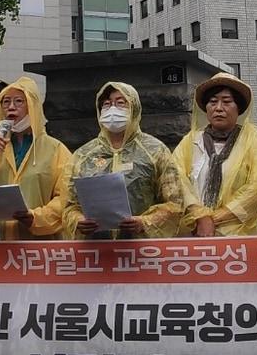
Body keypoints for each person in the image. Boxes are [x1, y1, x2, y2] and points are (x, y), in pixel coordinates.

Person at [63, 82, 187, 240]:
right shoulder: (84, 155)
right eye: (106, 104)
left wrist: (145, 222)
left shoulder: (155, 151)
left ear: (134, 108)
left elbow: (175, 203)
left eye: (120, 103)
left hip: (142, 251)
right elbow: (69, 205)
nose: (112, 109)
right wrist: (77, 221)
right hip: (96, 252)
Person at [0, 78, 73, 240]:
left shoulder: (55, 149)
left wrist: (36, 218)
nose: (11, 107)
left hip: (38, 246)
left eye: (19, 101)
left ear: (33, 106)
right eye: (6, 102)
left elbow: (66, 196)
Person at [174, 72, 257, 237]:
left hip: (240, 235)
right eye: (213, 102)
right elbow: (176, 179)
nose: (218, 108)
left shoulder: (252, 141)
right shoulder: (190, 141)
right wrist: (199, 216)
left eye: (226, 102)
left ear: (238, 108)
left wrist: (215, 219)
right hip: (195, 232)